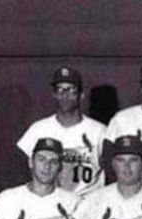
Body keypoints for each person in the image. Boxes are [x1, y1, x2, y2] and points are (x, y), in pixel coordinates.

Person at [16, 66, 106, 197]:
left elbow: (114, 171)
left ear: (81, 95)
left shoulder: (99, 131)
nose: (65, 95)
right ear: (54, 94)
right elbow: (22, 173)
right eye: (60, 89)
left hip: (89, 205)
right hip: (51, 204)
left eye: (71, 90)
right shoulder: (38, 129)